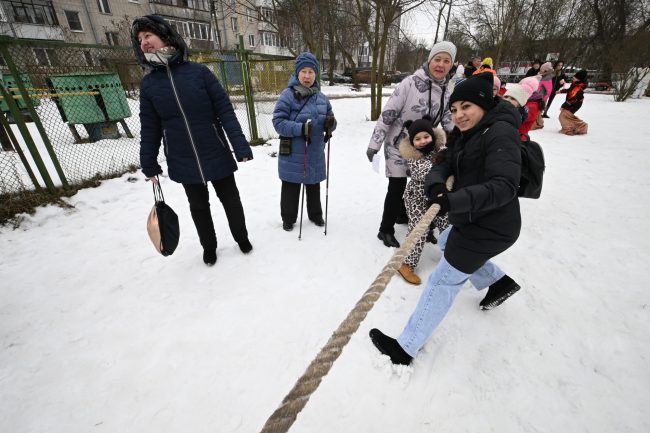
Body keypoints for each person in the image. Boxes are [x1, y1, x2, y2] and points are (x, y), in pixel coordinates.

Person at [369, 73, 523, 366]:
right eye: (454, 109)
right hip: (471, 217)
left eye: (466, 107)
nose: (459, 115)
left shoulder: (500, 132)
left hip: (490, 226)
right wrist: (437, 186)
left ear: (483, 103)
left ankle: (405, 348)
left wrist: (451, 201)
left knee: (442, 281)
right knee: (446, 239)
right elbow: (446, 161)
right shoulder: (471, 131)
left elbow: (504, 187)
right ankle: (499, 283)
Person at [132, 15, 253, 266]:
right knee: (198, 206)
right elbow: (150, 127)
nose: (143, 42)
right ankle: (209, 247)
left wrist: (239, 144)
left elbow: (224, 110)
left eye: (148, 36)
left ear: (165, 37)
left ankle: (242, 238)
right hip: (182, 157)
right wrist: (149, 162)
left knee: (231, 200)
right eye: (139, 39)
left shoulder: (198, 73)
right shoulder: (149, 85)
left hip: (215, 149)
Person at [366, 41, 456, 248]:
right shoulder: (409, 83)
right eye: (437, 59)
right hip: (398, 143)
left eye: (446, 61)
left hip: (424, 145)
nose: (440, 65)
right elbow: (388, 113)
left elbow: (449, 120)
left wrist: (458, 143)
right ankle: (385, 229)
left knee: (424, 184)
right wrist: (375, 143)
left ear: (451, 65)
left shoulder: (446, 91)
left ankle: (408, 217)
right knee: (397, 186)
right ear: (429, 60)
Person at [272, 52, 336, 231]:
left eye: (311, 72)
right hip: (293, 151)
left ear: (316, 74)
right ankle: (288, 218)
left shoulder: (322, 98)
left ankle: (316, 215)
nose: (307, 76)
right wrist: (300, 129)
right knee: (291, 186)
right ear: (297, 73)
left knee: (313, 184)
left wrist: (331, 124)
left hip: (314, 150)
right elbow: (278, 123)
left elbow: (330, 120)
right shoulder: (288, 95)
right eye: (304, 72)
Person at [396, 117, 449, 285]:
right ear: (412, 142)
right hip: (417, 197)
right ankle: (406, 263)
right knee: (418, 230)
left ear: (432, 135)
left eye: (426, 136)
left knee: (448, 224)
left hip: (439, 196)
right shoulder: (413, 156)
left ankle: (454, 257)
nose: (422, 141)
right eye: (417, 139)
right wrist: (442, 163)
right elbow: (424, 172)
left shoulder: (442, 149)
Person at [558, 69, 588, 135]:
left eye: (575, 77)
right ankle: (568, 128)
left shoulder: (578, 88)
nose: (573, 77)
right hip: (572, 102)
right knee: (565, 116)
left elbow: (573, 99)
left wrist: (564, 106)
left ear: (579, 79)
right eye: (574, 76)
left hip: (575, 104)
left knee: (563, 116)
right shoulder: (575, 83)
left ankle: (581, 126)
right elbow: (569, 90)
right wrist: (561, 91)